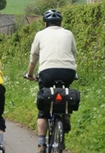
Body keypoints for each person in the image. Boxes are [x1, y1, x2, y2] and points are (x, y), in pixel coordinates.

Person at [25, 9, 77, 153]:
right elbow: (73, 53)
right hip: (68, 72)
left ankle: (41, 144)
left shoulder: (40, 34)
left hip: (47, 72)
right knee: (64, 91)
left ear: (45, 23)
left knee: (44, 109)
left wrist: (30, 74)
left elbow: (34, 57)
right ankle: (65, 115)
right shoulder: (69, 33)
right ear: (61, 23)